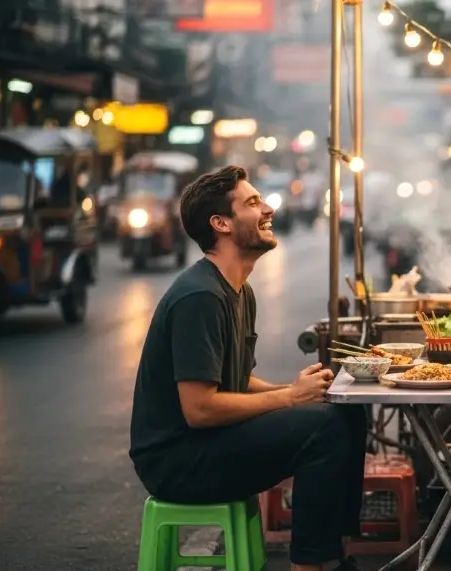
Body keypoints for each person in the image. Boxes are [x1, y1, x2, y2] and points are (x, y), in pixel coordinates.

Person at [128, 166, 367, 571]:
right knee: (323, 427)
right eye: (253, 203)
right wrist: (289, 398)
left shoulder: (240, 290)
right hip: (177, 461)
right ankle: (308, 565)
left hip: (208, 444)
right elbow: (200, 409)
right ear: (220, 224)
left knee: (346, 414)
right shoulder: (199, 297)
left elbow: (236, 380)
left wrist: (291, 392)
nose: (270, 208)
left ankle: (336, 553)